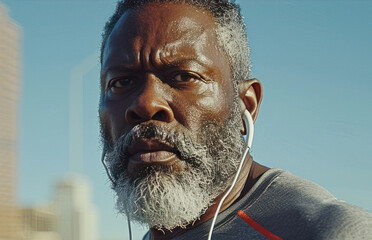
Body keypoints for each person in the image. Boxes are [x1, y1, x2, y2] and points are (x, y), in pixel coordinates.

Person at [98, 0, 372, 239]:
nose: (146, 104)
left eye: (184, 77)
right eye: (121, 82)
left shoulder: (331, 232)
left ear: (246, 105)